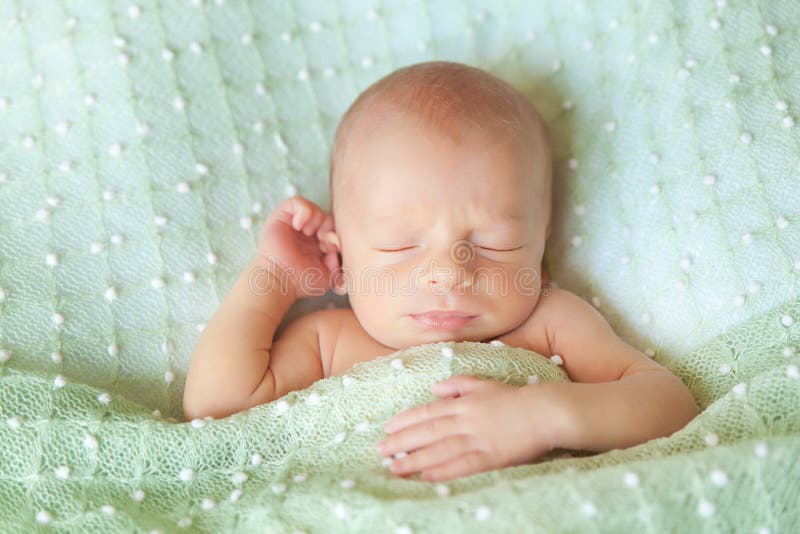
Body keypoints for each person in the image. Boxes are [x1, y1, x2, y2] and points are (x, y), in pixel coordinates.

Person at [184, 61, 699, 482]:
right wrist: (273, 280)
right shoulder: (330, 341)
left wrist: (541, 415)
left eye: (493, 243)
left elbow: (668, 405)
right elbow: (216, 406)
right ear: (342, 262)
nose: (449, 275)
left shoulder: (547, 323)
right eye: (400, 245)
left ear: (540, 249)